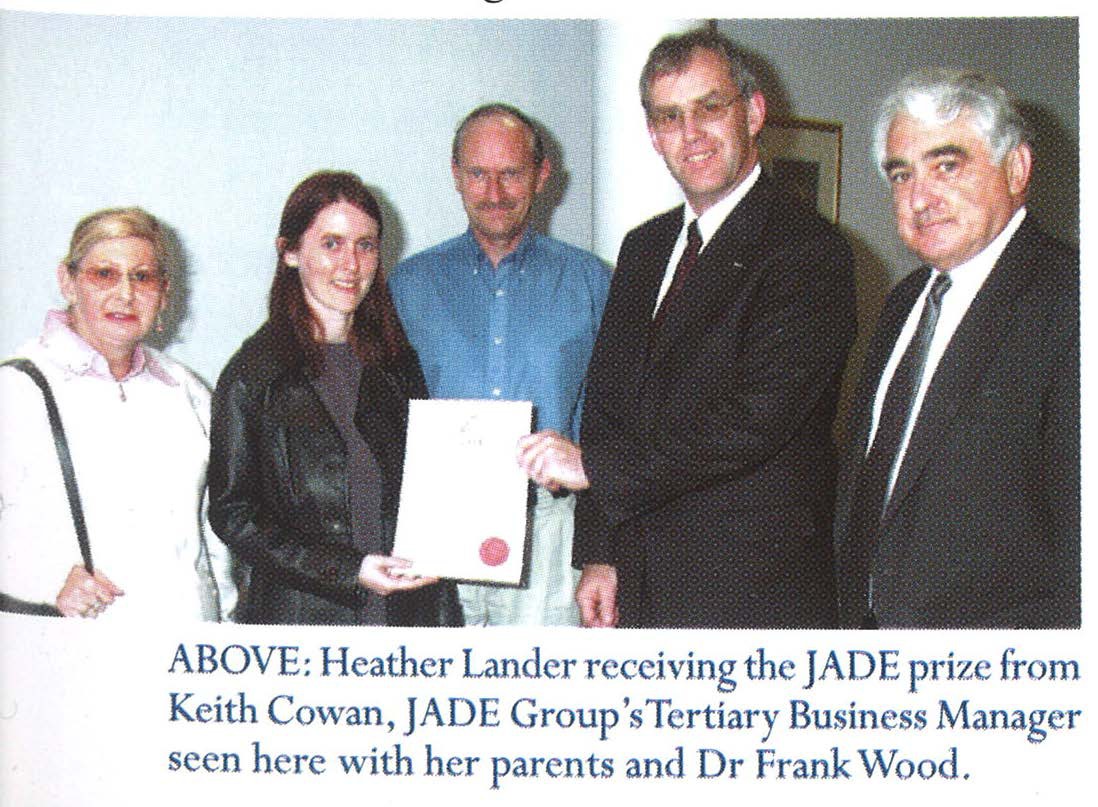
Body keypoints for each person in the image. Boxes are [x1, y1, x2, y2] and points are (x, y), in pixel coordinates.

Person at [526, 28, 857, 628]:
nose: (692, 134)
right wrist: (601, 554)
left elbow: (754, 419)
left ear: (753, 112)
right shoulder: (645, 247)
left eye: (710, 108)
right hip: (643, 579)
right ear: (653, 134)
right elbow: (608, 407)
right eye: (670, 117)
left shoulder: (809, 249)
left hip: (751, 589)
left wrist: (595, 469)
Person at [833, 69, 1079, 629]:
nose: (920, 198)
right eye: (901, 175)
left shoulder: (1071, 300)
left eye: (947, 166)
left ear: (1016, 168)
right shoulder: (904, 302)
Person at [390, 104, 610, 626]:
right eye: (478, 174)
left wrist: (605, 552)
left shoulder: (594, 284)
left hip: (551, 538)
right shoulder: (406, 286)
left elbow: (615, 424)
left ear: (541, 175)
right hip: (436, 534)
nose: (493, 192)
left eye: (510, 173)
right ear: (455, 175)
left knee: (545, 701)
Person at [209, 171, 460, 626]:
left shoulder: (398, 366)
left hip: (406, 615)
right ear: (289, 252)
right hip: (303, 624)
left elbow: (434, 485)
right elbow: (234, 515)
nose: (351, 264)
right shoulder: (251, 376)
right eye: (331, 244)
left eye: (365, 245)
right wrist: (350, 570)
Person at [0, 207, 236, 620]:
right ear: (68, 282)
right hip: (68, 653)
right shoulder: (17, 390)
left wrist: (222, 629)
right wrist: (43, 578)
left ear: (163, 293)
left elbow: (211, 543)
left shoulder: (188, 392)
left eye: (142, 277)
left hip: (179, 652)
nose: (125, 294)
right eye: (104, 274)